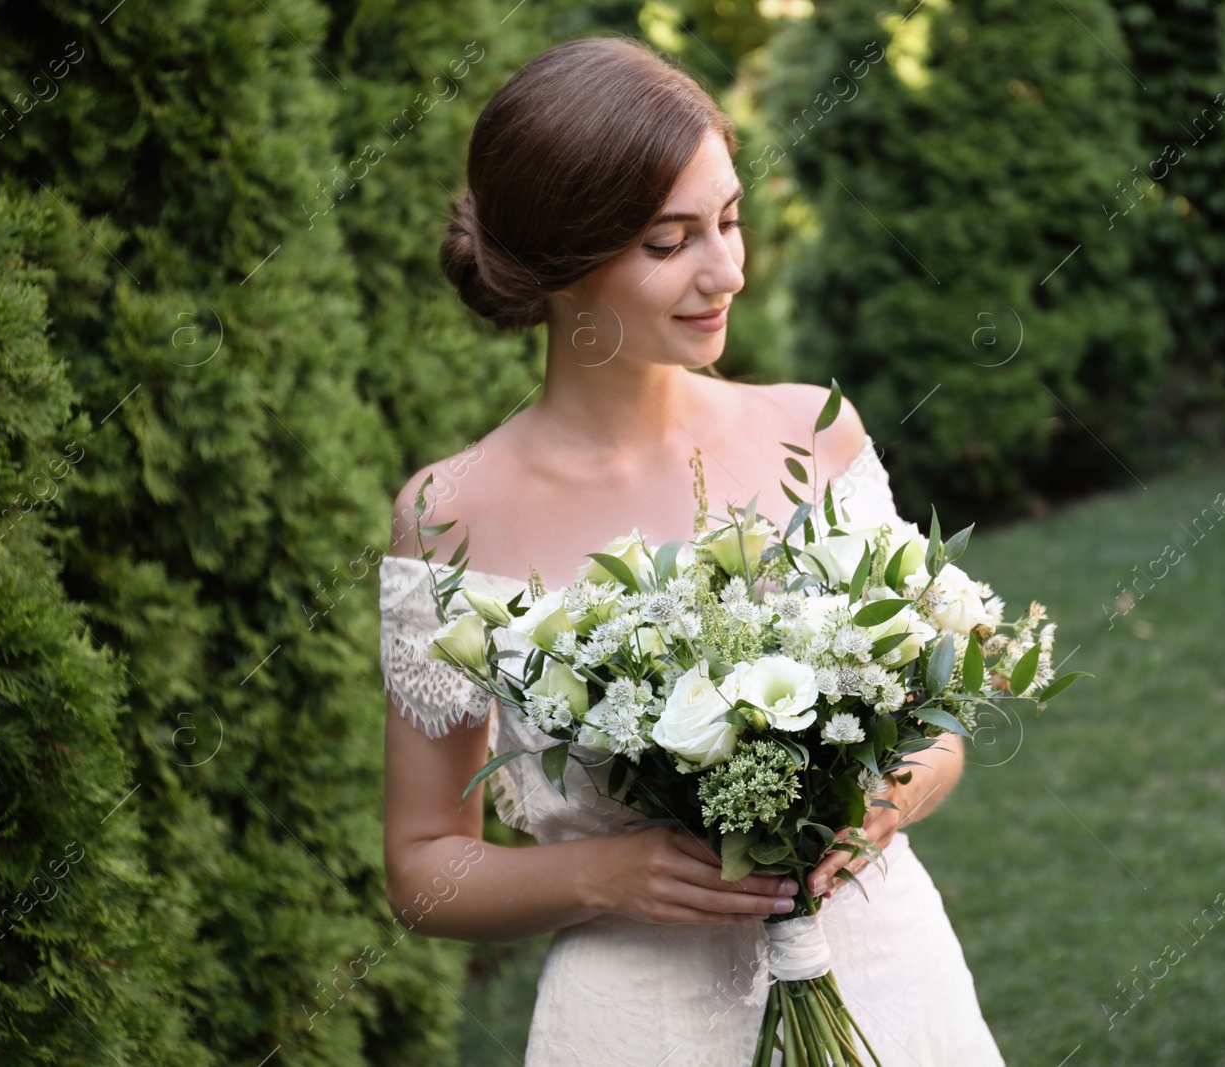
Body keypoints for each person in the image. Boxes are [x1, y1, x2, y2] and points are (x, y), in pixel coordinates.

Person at [379, 34, 1006, 1065]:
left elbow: (939, 732)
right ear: (560, 261)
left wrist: (875, 806)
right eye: (668, 242)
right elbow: (421, 867)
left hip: (886, 979)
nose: (726, 270)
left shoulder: (816, 434)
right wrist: (606, 875)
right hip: (636, 1020)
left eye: (728, 218)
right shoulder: (449, 516)